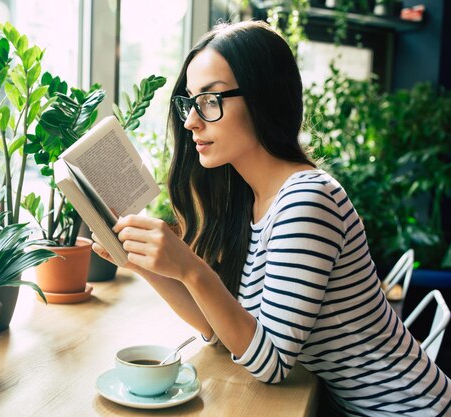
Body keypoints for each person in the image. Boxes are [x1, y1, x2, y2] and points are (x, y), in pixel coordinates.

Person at [92, 20, 450, 416]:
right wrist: (141, 263)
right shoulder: (252, 201)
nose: (191, 120)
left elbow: (271, 363)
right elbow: (225, 335)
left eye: (210, 101)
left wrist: (191, 268)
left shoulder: (308, 200)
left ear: (264, 98)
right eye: (189, 102)